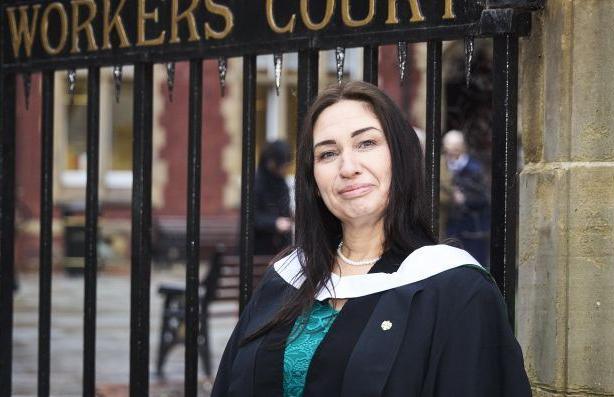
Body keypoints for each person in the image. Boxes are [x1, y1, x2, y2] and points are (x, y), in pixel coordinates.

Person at [212, 82, 530, 396]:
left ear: (401, 156)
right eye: (327, 153)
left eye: (366, 143)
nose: (347, 167)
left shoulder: (456, 290)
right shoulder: (287, 276)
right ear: (313, 177)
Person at [442, 129, 491, 267]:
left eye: (455, 148)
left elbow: (484, 197)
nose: (451, 152)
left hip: (472, 230)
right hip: (450, 227)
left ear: (462, 147)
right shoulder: (442, 167)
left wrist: (464, 199)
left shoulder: (475, 168)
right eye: (448, 148)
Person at [253, 140, 293, 255]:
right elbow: (252, 217)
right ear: (272, 162)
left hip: (279, 247)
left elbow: (285, 210)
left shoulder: (281, 182)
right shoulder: (257, 182)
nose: (285, 170)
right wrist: (275, 223)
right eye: (283, 165)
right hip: (258, 247)